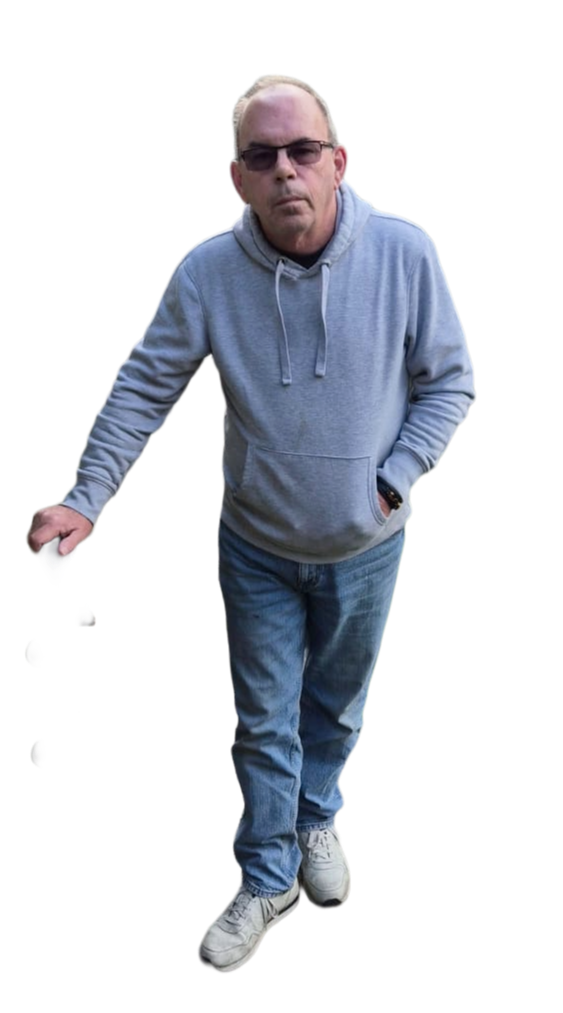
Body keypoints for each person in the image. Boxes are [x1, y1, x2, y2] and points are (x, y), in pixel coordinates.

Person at [24, 74, 476, 974]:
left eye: (302, 151)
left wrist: (391, 481)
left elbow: (449, 382)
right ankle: (267, 875)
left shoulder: (404, 252)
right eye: (261, 157)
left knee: (336, 708)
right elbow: (144, 386)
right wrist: (85, 496)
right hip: (256, 545)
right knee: (263, 721)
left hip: (365, 546)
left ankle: (317, 819)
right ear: (237, 177)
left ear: (337, 161)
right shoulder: (207, 271)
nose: (284, 171)